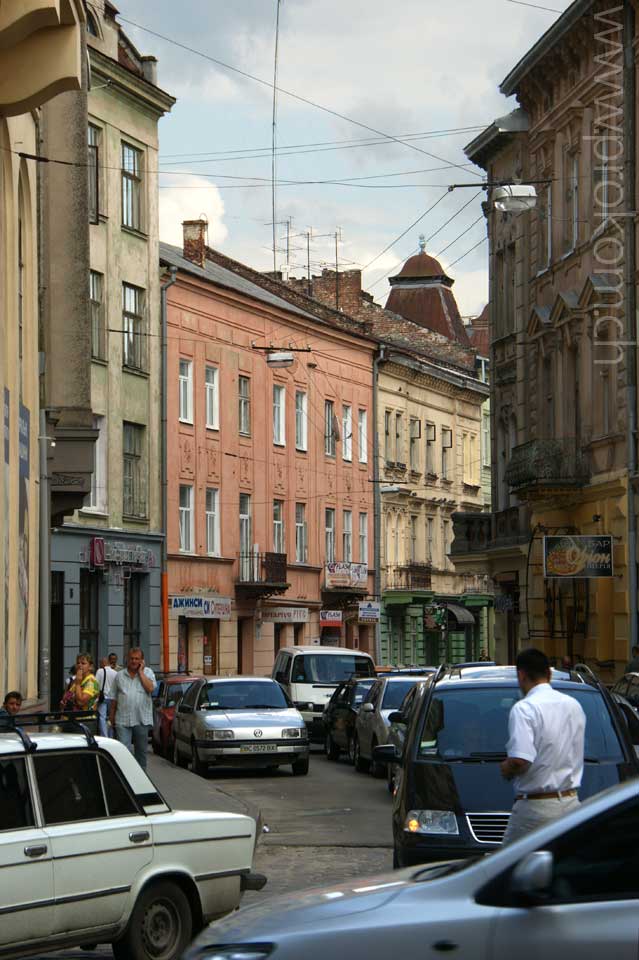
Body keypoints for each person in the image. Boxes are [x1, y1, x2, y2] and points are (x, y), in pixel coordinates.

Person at [500, 647, 585, 845]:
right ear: (549, 674)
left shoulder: (525, 708)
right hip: (571, 803)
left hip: (535, 809)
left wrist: (506, 767)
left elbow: (521, 760)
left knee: (507, 868)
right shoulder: (574, 705)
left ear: (521, 675)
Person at [109, 648, 155, 769]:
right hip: (122, 720)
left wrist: (141, 672)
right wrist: (111, 717)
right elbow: (113, 698)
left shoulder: (148, 672)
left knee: (141, 754)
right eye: (131, 658)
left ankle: (142, 782)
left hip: (141, 719)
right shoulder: (119, 676)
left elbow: (150, 688)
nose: (134, 661)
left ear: (142, 660)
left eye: (137, 659)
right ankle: (126, 781)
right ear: (127, 659)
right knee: (124, 752)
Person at [95, 657, 118, 738]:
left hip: (103, 698)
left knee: (102, 717)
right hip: (112, 698)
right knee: (111, 718)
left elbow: (96, 684)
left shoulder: (100, 671)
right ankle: (111, 735)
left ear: (102, 663)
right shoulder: (115, 673)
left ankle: (104, 736)